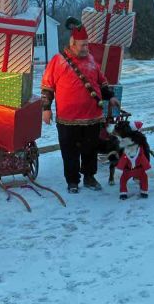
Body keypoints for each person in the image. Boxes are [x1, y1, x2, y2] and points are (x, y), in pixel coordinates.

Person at [41, 17, 120, 193]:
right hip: (67, 119)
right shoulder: (58, 61)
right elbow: (47, 86)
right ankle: (72, 181)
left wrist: (111, 97)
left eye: (87, 45)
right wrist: (46, 109)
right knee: (69, 152)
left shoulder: (91, 60)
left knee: (90, 150)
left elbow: (102, 81)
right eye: (82, 45)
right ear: (73, 44)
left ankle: (90, 178)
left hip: (92, 117)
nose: (86, 48)